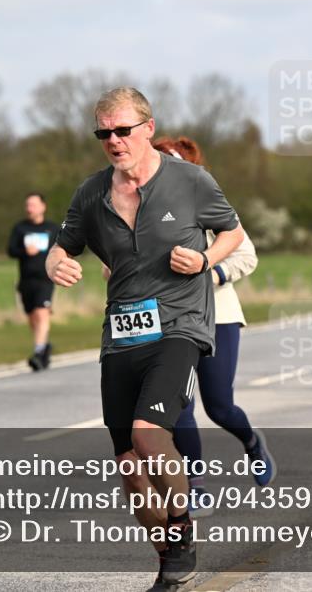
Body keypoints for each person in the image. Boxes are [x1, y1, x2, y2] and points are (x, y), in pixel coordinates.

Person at [46, 87, 245, 587]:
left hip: (180, 327)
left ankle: (181, 528)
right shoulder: (91, 192)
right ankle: (170, 558)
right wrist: (56, 261)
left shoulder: (191, 180)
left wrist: (205, 260)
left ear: (148, 128)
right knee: (131, 470)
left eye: (123, 130)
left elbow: (233, 233)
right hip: (121, 337)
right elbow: (62, 244)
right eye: (104, 133)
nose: (114, 141)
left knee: (146, 434)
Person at [151, 136, 274, 520]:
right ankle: (195, 486)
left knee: (219, 406)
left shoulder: (210, 205)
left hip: (218, 316)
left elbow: (246, 254)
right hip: (171, 323)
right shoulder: (143, 212)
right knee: (181, 408)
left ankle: (252, 442)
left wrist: (211, 272)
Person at [7, 192, 61, 370]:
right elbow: (11, 250)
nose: (30, 208)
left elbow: (63, 248)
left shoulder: (52, 229)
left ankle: (38, 352)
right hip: (26, 280)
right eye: (27, 205)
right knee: (32, 316)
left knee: (41, 312)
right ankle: (44, 346)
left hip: (45, 278)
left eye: (33, 204)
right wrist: (24, 251)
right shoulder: (20, 228)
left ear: (42, 207)